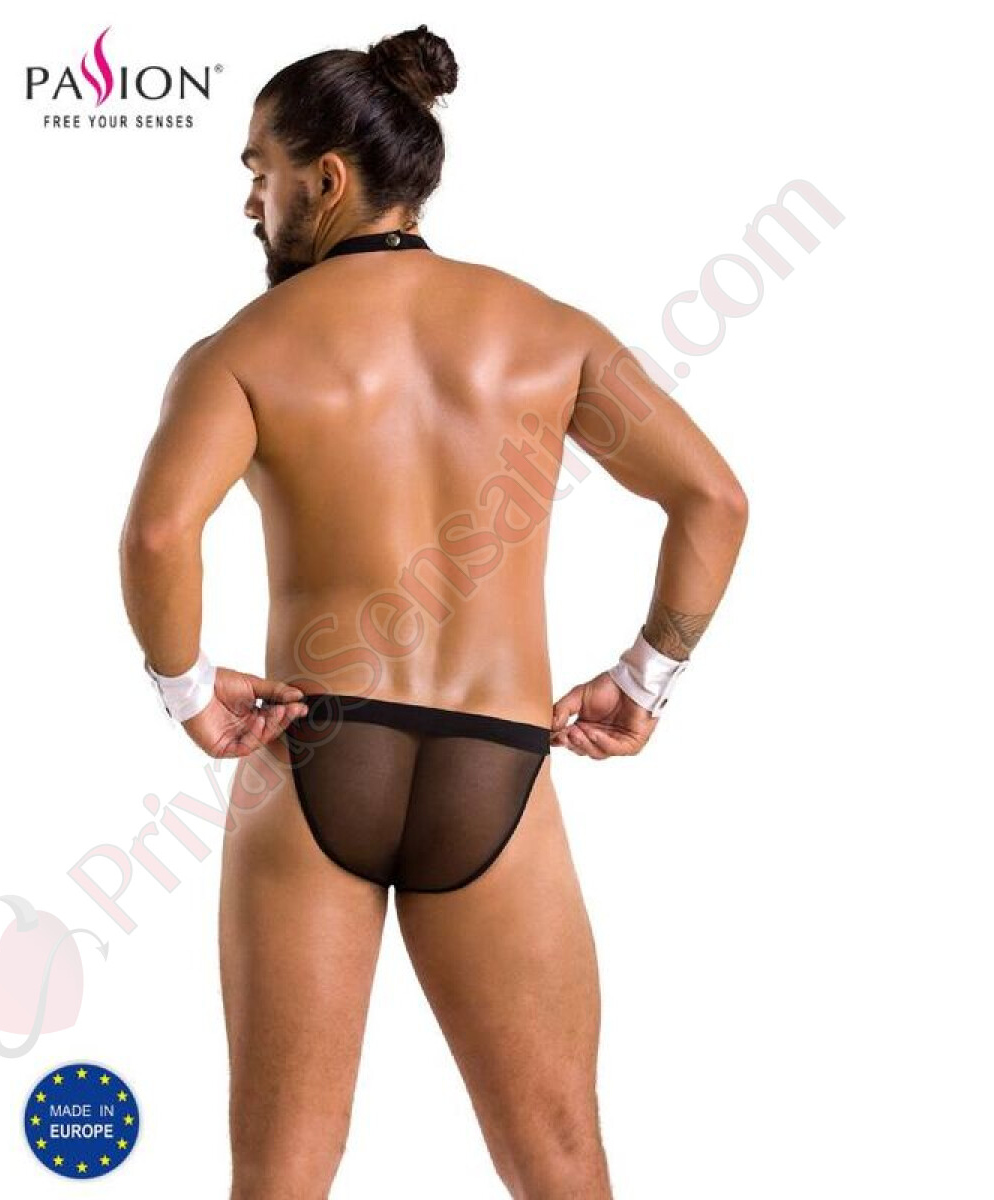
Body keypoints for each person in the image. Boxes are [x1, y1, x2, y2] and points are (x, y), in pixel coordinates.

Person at [119, 24, 748, 1200]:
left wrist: (187, 689)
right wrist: (644, 679)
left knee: (282, 1173)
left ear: (327, 179)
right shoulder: (549, 331)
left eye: (260, 172)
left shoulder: (243, 351)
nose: (251, 203)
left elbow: (160, 535)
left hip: (314, 748)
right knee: (561, 1161)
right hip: (496, 754)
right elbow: (712, 499)